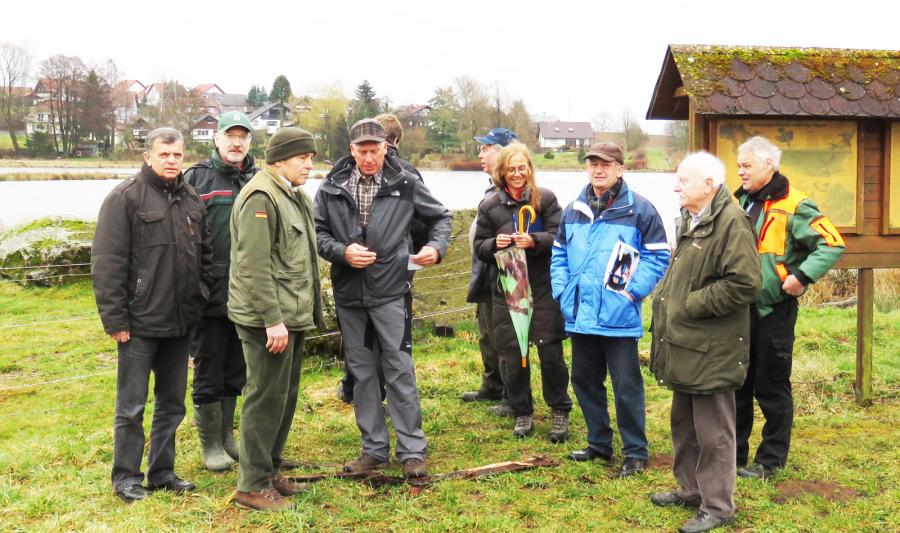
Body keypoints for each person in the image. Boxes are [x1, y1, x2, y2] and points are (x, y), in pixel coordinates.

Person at [315, 118, 451, 479]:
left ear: (386, 148)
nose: (369, 157)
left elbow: (440, 218)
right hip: (350, 296)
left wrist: (435, 248)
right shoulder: (331, 187)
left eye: (375, 150)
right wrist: (342, 252)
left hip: (391, 292)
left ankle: (412, 451)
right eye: (363, 151)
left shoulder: (405, 183)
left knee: (399, 369)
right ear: (352, 150)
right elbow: (318, 233)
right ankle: (373, 449)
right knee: (362, 374)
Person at [91, 127, 211, 502]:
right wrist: (116, 320)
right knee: (131, 407)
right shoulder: (124, 198)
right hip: (139, 324)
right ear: (148, 156)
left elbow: (205, 256)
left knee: (173, 403)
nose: (172, 161)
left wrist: (200, 297)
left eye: (178, 155)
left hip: (180, 322)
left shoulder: (191, 198)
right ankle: (126, 477)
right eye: (165, 154)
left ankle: (162, 471)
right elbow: (107, 263)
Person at [650, 152, 761, 533]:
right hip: (685, 345)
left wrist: (691, 304)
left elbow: (745, 283)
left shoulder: (731, 222)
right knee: (683, 422)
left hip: (712, 350)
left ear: (709, 185)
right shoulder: (693, 218)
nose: (676, 185)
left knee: (714, 432)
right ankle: (690, 490)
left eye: (683, 179)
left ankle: (717, 506)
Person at [550, 142, 669, 477]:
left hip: (618, 317)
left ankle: (635, 451)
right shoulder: (573, 209)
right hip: (580, 315)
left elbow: (658, 254)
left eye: (606, 164)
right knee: (585, 380)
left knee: (626, 386)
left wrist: (632, 293)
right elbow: (558, 254)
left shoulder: (640, 209)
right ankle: (598, 443)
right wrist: (562, 291)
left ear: (620, 168)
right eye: (593, 164)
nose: (598, 170)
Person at [734, 136, 845, 479]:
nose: (740, 171)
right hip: (738, 310)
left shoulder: (795, 204)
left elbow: (832, 243)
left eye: (747, 165)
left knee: (771, 386)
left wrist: (800, 277)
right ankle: (733, 455)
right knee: (737, 384)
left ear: (769, 165)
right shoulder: (739, 201)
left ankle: (769, 462)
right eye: (738, 165)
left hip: (773, 310)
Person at [228, 127, 323, 511]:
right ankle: (251, 487)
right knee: (265, 398)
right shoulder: (260, 197)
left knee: (284, 396)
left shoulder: (293, 195)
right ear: (281, 158)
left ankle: (269, 471)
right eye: (304, 157)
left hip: (291, 315)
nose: (310, 164)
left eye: (311, 157)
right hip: (267, 320)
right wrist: (271, 320)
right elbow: (252, 266)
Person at [473, 142, 573, 441]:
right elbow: (480, 247)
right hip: (508, 287)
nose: (517, 174)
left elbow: (561, 237)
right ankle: (522, 412)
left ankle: (559, 410)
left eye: (522, 168)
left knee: (550, 350)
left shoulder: (547, 199)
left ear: (529, 169)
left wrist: (535, 241)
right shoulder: (489, 206)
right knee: (512, 354)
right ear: (501, 172)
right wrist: (495, 245)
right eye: (511, 169)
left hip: (543, 285)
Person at [336, 113, 427, 405]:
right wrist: (408, 256)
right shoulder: (410, 173)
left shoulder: (348, 175)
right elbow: (423, 224)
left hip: (355, 274)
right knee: (398, 342)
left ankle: (355, 389)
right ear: (397, 139)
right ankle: (396, 396)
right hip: (396, 272)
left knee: (360, 341)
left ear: (385, 144)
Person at [184, 111, 256, 472]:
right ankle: (210, 444)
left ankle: (228, 437)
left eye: (243, 136)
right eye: (230, 135)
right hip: (210, 296)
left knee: (236, 370)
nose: (236, 142)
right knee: (209, 369)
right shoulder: (197, 179)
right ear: (216, 140)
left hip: (247, 297)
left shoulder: (258, 179)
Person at [462, 127, 518, 414]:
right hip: (484, 269)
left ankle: (512, 394)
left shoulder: (515, 187)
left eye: (486, 148)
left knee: (505, 335)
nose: (480, 153)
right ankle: (493, 385)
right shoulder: (490, 186)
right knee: (486, 331)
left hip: (506, 273)